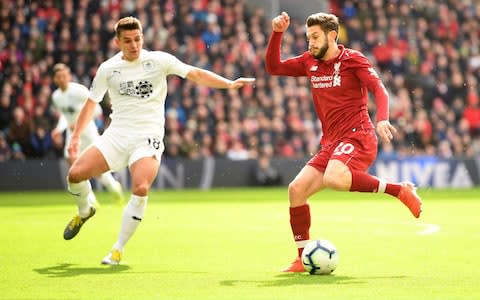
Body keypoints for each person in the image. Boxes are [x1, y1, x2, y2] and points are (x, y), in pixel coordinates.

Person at [63, 16, 255, 265]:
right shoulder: (107, 69)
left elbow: (194, 73)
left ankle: (117, 249)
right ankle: (85, 210)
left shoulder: (158, 60)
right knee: (75, 175)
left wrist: (227, 84)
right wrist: (76, 137)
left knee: (141, 188)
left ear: (143, 37)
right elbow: (91, 103)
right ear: (117, 41)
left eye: (138, 39)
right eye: (128, 41)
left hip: (148, 136)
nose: (134, 45)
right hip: (117, 135)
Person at [265, 12, 422, 272]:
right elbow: (274, 67)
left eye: (315, 37)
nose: (310, 43)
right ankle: (303, 258)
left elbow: (379, 89)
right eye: (308, 38)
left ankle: (399, 190)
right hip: (331, 143)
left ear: (332, 36)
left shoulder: (353, 60)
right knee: (296, 190)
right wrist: (277, 33)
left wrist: (382, 118)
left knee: (335, 178)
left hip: (358, 134)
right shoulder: (308, 62)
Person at [51, 63, 124, 204]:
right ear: (54, 79)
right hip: (72, 135)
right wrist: (58, 129)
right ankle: (90, 199)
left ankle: (114, 187)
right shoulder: (56, 97)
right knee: (72, 162)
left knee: (97, 169)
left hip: (88, 132)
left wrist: (78, 123)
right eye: (58, 77)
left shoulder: (79, 91)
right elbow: (65, 116)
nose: (61, 79)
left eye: (64, 76)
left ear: (69, 76)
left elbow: (97, 111)